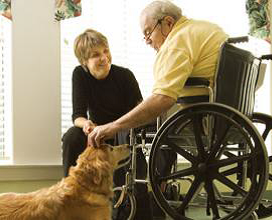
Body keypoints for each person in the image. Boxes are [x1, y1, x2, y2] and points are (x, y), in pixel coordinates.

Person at [87, 2, 228, 217]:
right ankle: (156, 191)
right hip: (216, 113)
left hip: (195, 117)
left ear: (168, 23)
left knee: (126, 130)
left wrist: (114, 126)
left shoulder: (178, 41)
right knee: (143, 123)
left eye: (148, 32)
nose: (147, 41)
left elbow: (162, 99)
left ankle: (133, 206)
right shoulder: (208, 28)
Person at [61, 29, 153, 220]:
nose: (104, 57)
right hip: (97, 133)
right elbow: (77, 115)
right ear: (84, 62)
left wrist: (116, 127)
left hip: (124, 130)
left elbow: (140, 114)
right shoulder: (79, 74)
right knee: (72, 136)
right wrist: (86, 124)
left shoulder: (125, 76)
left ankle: (132, 206)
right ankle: (68, 195)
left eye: (106, 51)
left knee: (127, 138)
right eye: (96, 55)